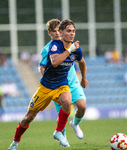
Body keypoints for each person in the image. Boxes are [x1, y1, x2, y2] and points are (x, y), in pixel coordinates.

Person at [8, 19, 88, 150]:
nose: (72, 34)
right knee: (29, 117)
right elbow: (55, 62)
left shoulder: (75, 49)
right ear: (61, 33)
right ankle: (15, 142)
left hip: (62, 85)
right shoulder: (54, 45)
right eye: (69, 31)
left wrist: (84, 78)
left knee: (68, 102)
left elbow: (82, 62)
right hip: (46, 87)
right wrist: (70, 50)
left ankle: (58, 132)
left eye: (73, 31)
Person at [38, 19, 87, 147]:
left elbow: (78, 61)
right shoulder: (48, 49)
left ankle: (75, 123)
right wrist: (48, 77)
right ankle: (63, 138)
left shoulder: (69, 45)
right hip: (57, 85)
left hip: (72, 82)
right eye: (54, 31)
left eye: (58, 30)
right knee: (62, 114)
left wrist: (82, 77)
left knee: (82, 106)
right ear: (50, 33)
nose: (57, 33)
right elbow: (42, 66)